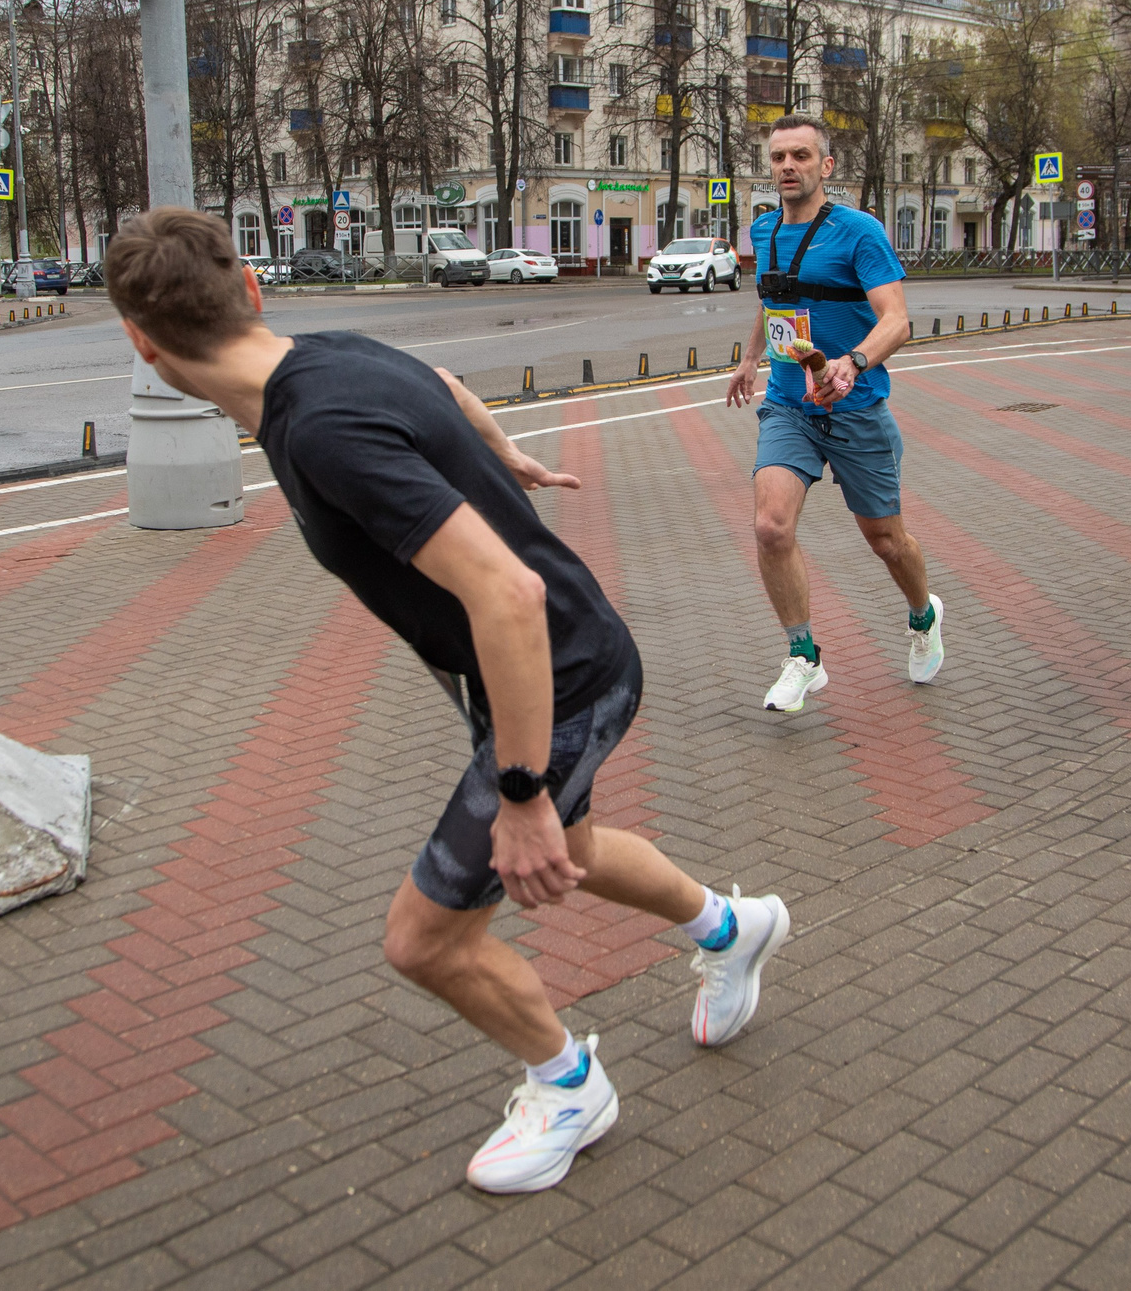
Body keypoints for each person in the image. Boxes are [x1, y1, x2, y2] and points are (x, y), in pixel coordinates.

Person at [105, 207, 789, 1195]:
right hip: (545, 662)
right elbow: (442, 387)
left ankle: (569, 1088)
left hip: (555, 676)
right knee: (580, 855)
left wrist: (519, 793)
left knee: (425, 939)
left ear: (140, 342)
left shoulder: (323, 428)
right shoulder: (323, 355)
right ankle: (733, 930)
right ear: (250, 290)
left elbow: (505, 593)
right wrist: (497, 456)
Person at [724, 116, 945, 712]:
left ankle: (923, 615)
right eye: (777, 157)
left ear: (825, 166)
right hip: (789, 406)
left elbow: (896, 319)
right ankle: (804, 657)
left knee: (886, 541)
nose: (787, 166)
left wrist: (853, 363)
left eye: (800, 155)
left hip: (855, 408)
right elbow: (774, 301)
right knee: (771, 525)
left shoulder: (859, 232)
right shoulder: (764, 228)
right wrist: (749, 360)